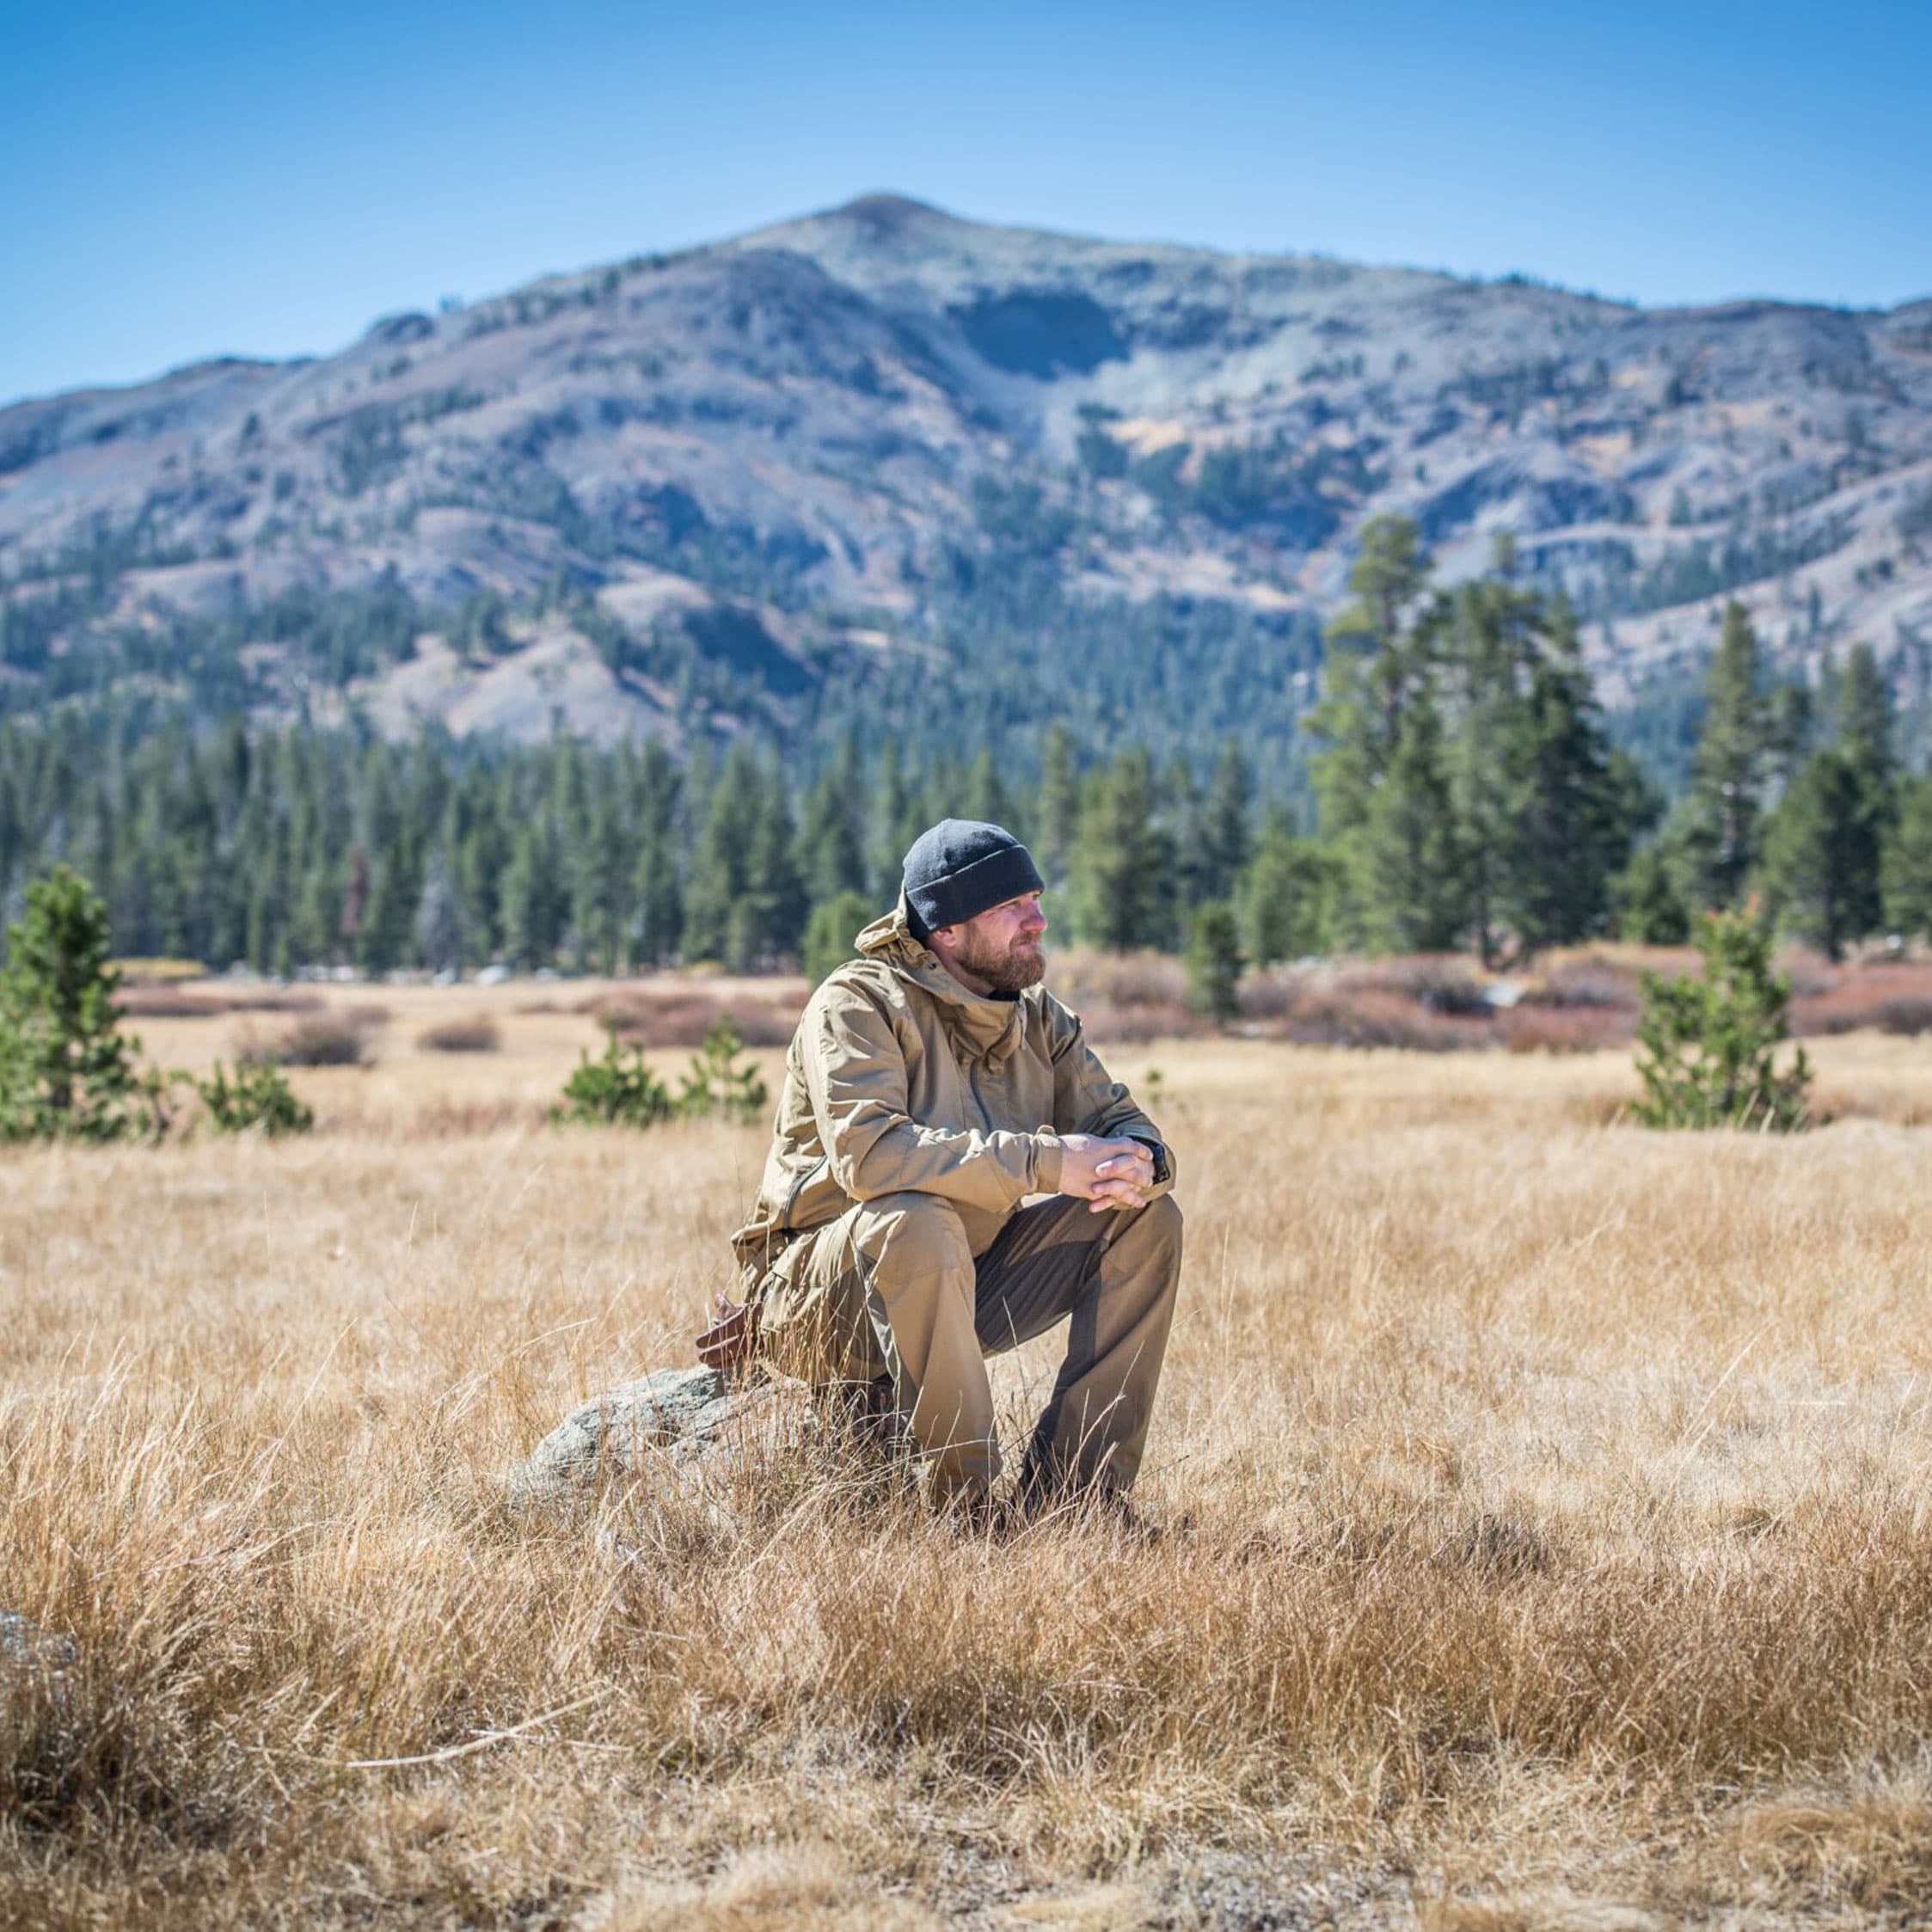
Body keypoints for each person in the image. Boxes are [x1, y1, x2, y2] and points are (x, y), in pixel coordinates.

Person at [714, 818, 1182, 1514]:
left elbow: (1121, 1122)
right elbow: (870, 1158)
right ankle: (960, 1508)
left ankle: (1076, 1500)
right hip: (821, 1299)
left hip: (963, 1275)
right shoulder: (857, 1004)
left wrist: (1139, 1162)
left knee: (1145, 1219)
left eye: (1035, 899)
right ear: (948, 931)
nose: (1038, 920)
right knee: (915, 1218)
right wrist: (1048, 1161)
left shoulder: (1038, 1020)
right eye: (1012, 908)